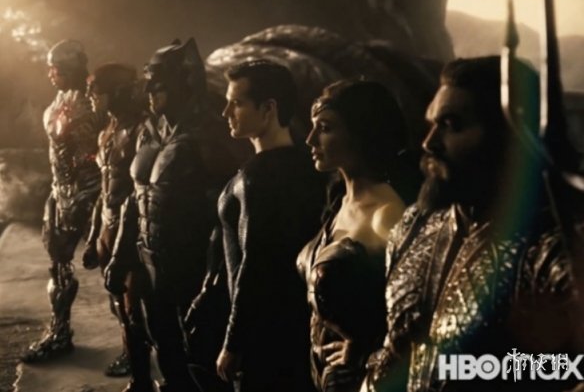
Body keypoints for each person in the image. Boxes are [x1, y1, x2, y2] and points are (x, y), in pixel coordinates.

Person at [363, 56, 580, 392]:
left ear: (511, 137)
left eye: (451, 124)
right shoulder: (414, 225)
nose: (429, 142)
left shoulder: (551, 248)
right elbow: (396, 346)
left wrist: (483, 368)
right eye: (432, 123)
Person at [104, 39, 212, 392]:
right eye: (148, 83)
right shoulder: (149, 131)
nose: (149, 92)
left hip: (192, 266)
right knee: (164, 347)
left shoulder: (211, 135)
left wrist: (215, 281)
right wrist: (120, 256)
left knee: (201, 359)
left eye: (159, 84)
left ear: (184, 83)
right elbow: (133, 200)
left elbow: (229, 216)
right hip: (151, 261)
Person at [215, 59, 326, 392]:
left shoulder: (257, 178)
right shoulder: (308, 167)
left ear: (268, 109)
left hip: (262, 334)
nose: (226, 112)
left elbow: (255, 263)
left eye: (236, 103)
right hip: (297, 324)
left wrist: (233, 342)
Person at [297, 79, 413, 392]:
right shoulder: (339, 203)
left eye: (325, 128)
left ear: (361, 133)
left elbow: (418, 311)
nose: (310, 139)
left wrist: (367, 352)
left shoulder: (387, 214)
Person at [22, 39, 102, 363]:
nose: (50, 74)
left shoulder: (94, 101)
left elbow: (100, 152)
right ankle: (60, 333)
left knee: (117, 270)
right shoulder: (60, 100)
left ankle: (135, 343)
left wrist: (95, 196)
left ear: (67, 69)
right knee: (58, 266)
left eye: (54, 68)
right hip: (62, 192)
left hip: (93, 192)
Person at [83, 63, 149, 380]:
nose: (90, 95)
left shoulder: (141, 132)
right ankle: (134, 367)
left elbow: (137, 194)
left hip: (132, 232)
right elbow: (104, 189)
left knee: (136, 308)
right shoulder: (107, 131)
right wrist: (93, 236)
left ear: (117, 92)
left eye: (96, 89)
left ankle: (144, 375)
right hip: (108, 227)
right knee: (119, 305)